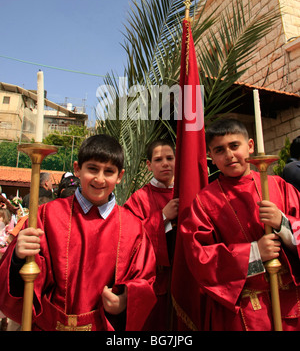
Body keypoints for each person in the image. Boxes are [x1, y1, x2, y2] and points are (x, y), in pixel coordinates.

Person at [0, 134, 156, 331]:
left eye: (109, 171)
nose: (100, 179)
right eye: (92, 169)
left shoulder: (134, 228)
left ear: (120, 176)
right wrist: (18, 258)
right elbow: (29, 280)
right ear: (77, 169)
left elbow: (144, 280)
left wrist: (125, 300)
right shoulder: (47, 215)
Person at [181, 118, 300, 331]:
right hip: (243, 313)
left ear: (251, 146)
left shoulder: (279, 186)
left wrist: (282, 223)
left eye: (235, 146)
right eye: (219, 150)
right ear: (211, 157)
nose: (229, 155)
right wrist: (254, 253)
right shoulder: (204, 202)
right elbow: (200, 258)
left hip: (291, 304)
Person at [124, 139, 179, 330]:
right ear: (149, 165)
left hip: (184, 280)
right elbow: (129, 239)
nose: (165, 163)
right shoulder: (139, 198)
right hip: (156, 283)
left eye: (169, 158)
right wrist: (163, 217)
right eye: (158, 159)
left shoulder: (187, 191)